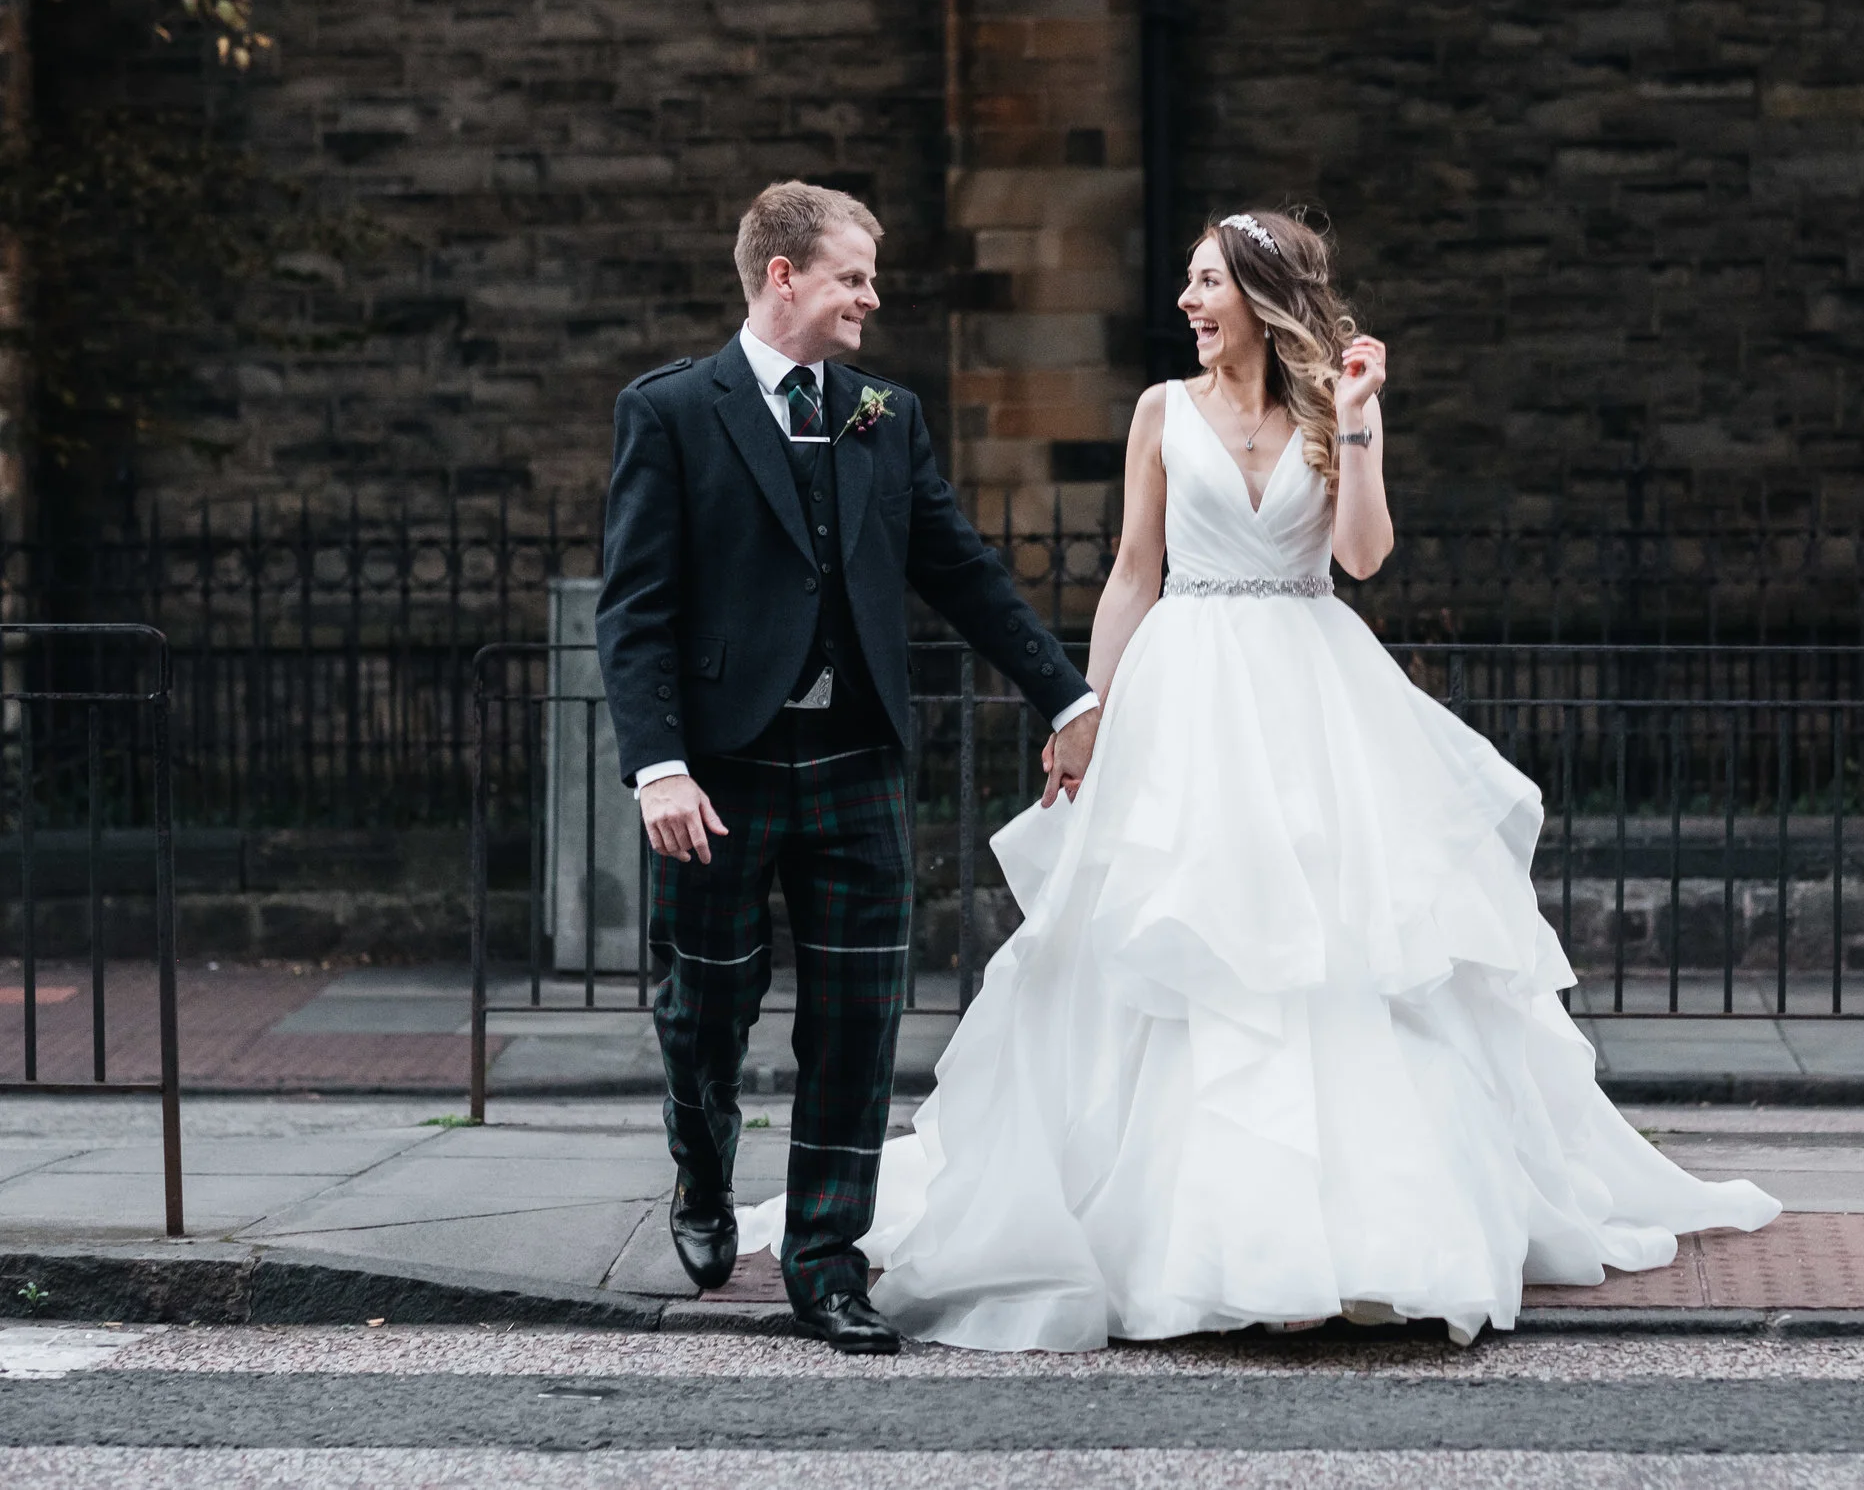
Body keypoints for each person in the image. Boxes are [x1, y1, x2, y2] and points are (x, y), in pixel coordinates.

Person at [741, 208, 1778, 1350]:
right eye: (1186, 282)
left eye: (1205, 284)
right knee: (1180, 945)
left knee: (1335, 951)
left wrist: (1363, 422)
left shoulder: (1329, 408)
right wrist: (1084, 713)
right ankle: (1198, 1231)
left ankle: (1357, 1232)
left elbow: (1362, 558)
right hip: (1185, 695)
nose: (1187, 303)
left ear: (1257, 294)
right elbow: (1135, 572)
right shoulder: (1158, 412)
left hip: (1312, 689)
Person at [596, 181, 1102, 1354]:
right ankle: (702, 1169)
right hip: (718, 773)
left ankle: (826, 1262)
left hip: (856, 762)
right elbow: (635, 608)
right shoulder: (672, 410)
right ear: (785, 277)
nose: (873, 297)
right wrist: (658, 765)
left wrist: (1065, 691)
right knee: (705, 1007)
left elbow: (960, 567)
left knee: (857, 1022)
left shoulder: (885, 413)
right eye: (854, 277)